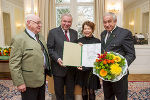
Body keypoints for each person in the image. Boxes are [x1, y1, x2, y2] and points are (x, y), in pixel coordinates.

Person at [9, 14, 51, 100]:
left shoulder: (40, 37)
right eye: (37, 23)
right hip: (28, 82)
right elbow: (14, 64)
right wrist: (19, 83)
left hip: (41, 79)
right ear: (28, 23)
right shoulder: (18, 39)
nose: (40, 25)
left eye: (40, 23)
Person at [101, 12, 136, 100]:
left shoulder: (125, 33)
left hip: (119, 74)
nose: (107, 24)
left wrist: (120, 66)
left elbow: (131, 54)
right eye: (105, 22)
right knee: (108, 96)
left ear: (115, 21)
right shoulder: (103, 34)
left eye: (109, 21)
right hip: (106, 73)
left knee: (121, 96)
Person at [47, 13, 78, 100]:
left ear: (71, 23)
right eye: (64, 21)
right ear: (61, 21)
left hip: (71, 69)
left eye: (69, 22)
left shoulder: (74, 33)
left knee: (70, 92)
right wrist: (58, 59)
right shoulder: (53, 32)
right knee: (59, 92)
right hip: (58, 68)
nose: (66, 23)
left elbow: (75, 49)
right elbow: (50, 49)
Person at [76, 21, 101, 100]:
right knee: (83, 89)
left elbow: (99, 57)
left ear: (92, 30)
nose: (87, 30)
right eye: (85, 28)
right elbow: (76, 55)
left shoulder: (97, 41)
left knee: (91, 91)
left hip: (92, 70)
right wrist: (77, 47)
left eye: (89, 28)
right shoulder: (79, 41)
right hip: (82, 69)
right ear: (83, 30)